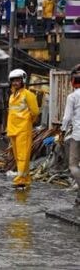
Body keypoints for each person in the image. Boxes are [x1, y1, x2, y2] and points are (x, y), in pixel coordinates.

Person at [7, 69, 40, 188]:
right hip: (13, 129)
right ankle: (24, 178)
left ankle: (21, 179)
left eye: (17, 80)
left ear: (23, 80)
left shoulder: (28, 94)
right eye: (13, 81)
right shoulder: (12, 96)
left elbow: (35, 112)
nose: (15, 83)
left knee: (23, 155)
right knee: (17, 156)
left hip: (23, 129)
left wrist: (28, 121)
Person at [60, 67, 80, 206]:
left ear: (72, 82)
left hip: (77, 135)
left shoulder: (72, 97)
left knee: (73, 166)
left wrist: (62, 131)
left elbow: (67, 117)